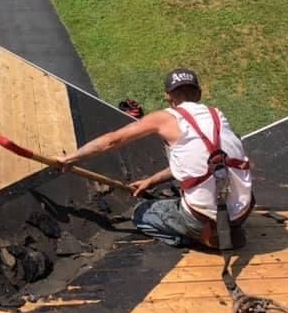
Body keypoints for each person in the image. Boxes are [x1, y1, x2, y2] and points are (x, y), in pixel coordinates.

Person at [57, 69, 253, 248]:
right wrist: (151, 181)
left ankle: (196, 239)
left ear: (168, 96)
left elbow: (111, 141)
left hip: (202, 220)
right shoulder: (217, 115)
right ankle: (223, 230)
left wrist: (70, 159)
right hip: (241, 213)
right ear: (199, 93)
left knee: (141, 214)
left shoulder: (164, 118)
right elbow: (207, 164)